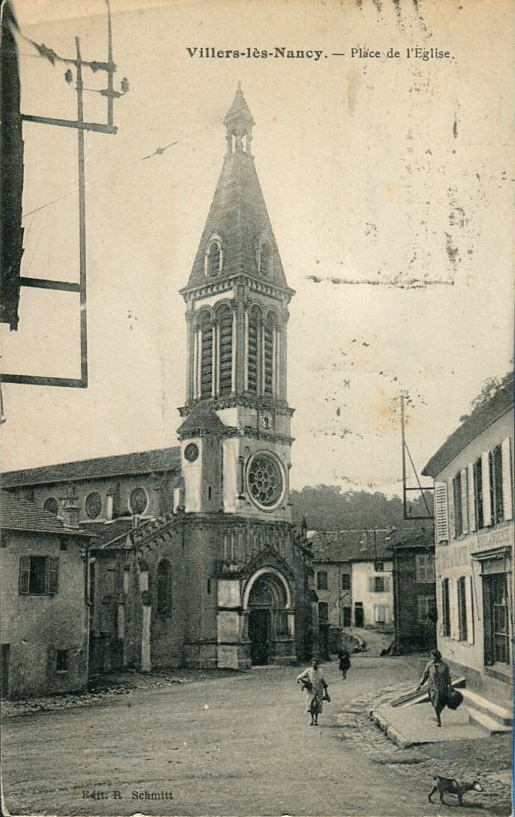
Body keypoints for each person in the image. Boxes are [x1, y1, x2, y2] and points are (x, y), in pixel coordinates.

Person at [417, 649, 452, 727]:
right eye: (432, 657)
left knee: (442, 703)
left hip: (443, 687)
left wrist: (450, 685)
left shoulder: (445, 665)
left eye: (434, 657)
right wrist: (420, 684)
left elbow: (448, 676)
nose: (433, 659)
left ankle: (438, 715)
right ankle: (438, 720)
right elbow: (425, 675)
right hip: (433, 687)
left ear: (438, 657)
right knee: (435, 704)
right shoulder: (429, 665)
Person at [296, 658, 329, 725]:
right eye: (313, 663)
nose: (314, 665)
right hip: (311, 690)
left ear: (318, 664)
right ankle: (311, 719)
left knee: (317, 705)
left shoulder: (320, 671)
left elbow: (323, 682)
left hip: (319, 690)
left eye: (315, 663)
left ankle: (316, 720)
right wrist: (304, 684)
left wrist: (326, 693)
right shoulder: (308, 671)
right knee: (311, 705)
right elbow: (299, 678)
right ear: (311, 664)